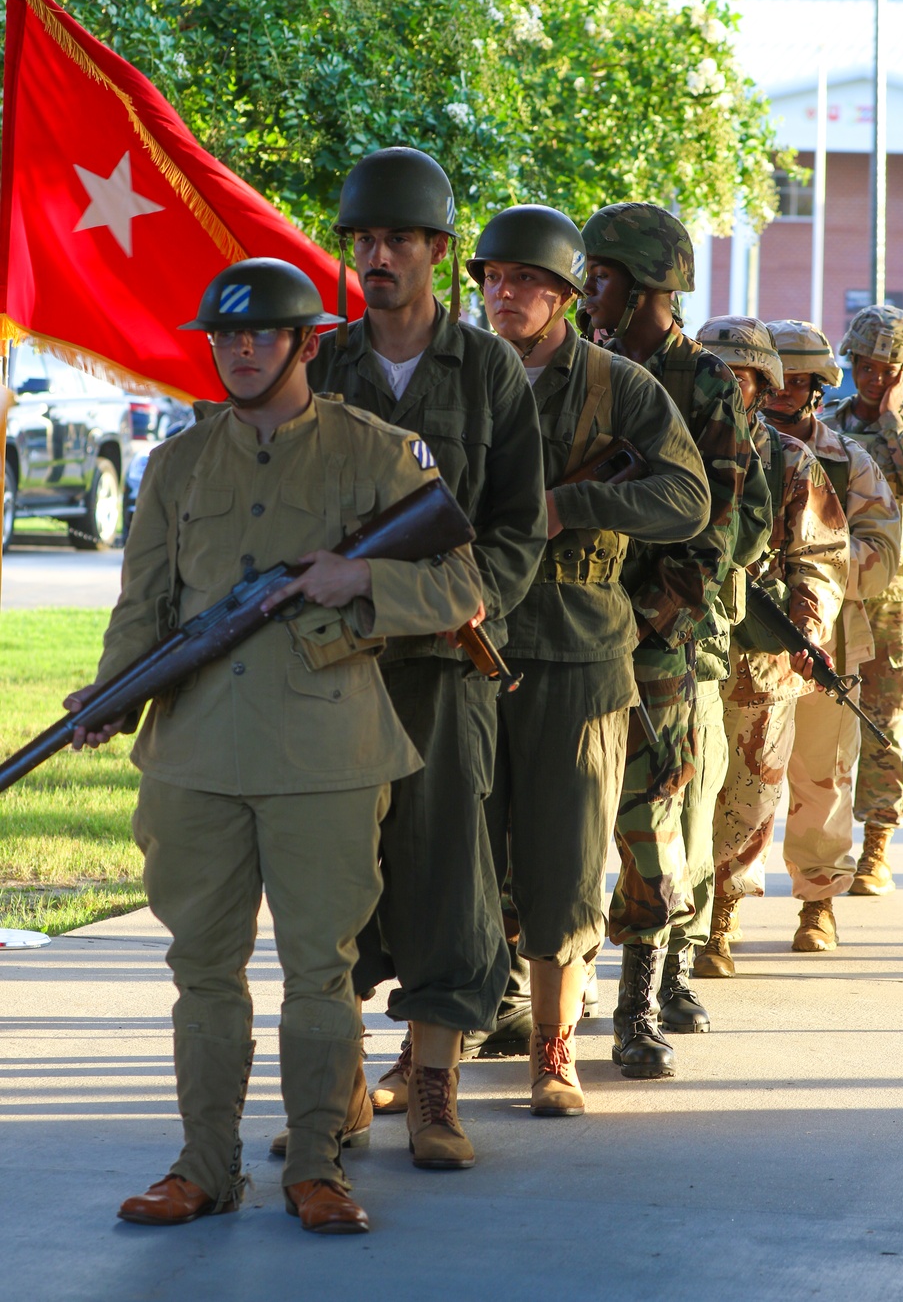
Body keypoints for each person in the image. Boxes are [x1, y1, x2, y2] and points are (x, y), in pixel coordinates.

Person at [69, 258, 483, 1233]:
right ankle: (201, 1165)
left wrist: (360, 583)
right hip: (196, 758)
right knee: (202, 972)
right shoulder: (175, 464)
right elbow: (145, 612)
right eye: (224, 335)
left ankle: (316, 1163)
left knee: (319, 971)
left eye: (261, 334)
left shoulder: (378, 453)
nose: (240, 349)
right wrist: (111, 693)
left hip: (325, 757)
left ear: (307, 342)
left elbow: (463, 590)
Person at [306, 147, 548, 1166]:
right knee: (334, 878)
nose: (379, 257)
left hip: (447, 663)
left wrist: (459, 596)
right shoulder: (321, 365)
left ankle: (437, 1087)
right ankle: (345, 1088)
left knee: (448, 871)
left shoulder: (486, 368)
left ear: (440, 252)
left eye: (399, 239)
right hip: (337, 666)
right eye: (364, 240)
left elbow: (514, 526)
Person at [467, 204, 709, 1109]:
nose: (508, 294)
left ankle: (555, 1049)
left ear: (568, 293)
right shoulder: (456, 376)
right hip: (465, 640)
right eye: (495, 278)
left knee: (568, 863)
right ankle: (437, 1051)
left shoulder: (619, 388)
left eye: (530, 281)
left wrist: (576, 509)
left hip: (576, 647)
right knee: (459, 855)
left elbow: (687, 498)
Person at [579, 202, 771, 1070]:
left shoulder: (704, 386)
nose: (589, 291)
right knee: (548, 810)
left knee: (651, 819)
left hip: (655, 635)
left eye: (604, 277)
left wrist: (660, 614)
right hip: (570, 621)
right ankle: (523, 992)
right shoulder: (580, 367)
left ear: (651, 286)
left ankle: (637, 1003)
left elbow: (726, 519)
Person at [690, 317, 849, 977]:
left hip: (762, 655)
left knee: (750, 790)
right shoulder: (664, 444)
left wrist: (805, 629)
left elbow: (819, 555)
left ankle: (720, 915)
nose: (728, 386)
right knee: (682, 787)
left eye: (743, 375)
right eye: (716, 371)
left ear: (765, 385)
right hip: (684, 643)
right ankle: (677, 919)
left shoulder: (790, 460)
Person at [763, 320, 901, 948]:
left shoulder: (852, 463)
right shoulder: (727, 448)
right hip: (744, 643)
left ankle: (818, 902)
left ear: (820, 386)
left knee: (822, 778)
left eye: (800, 380)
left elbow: (882, 556)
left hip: (828, 646)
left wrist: (811, 565)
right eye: (775, 378)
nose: (785, 390)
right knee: (727, 781)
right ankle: (717, 913)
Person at [820, 306, 903, 895]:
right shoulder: (823, 425)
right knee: (817, 729)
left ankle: (876, 847)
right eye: (865, 366)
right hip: (829, 594)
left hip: (895, 605)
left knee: (884, 727)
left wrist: (895, 421)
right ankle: (820, 851)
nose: (874, 379)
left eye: (889, 368)